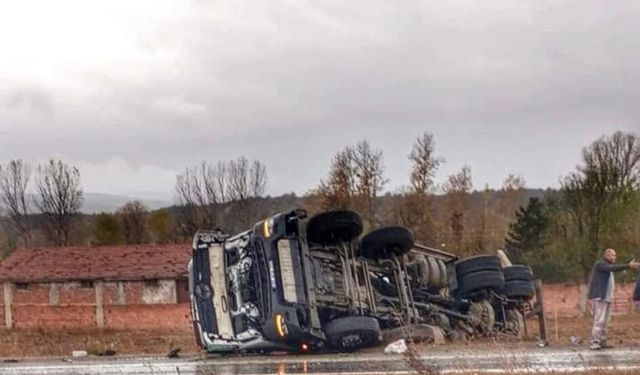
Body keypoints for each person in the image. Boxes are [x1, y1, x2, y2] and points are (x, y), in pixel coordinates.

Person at [587, 248, 640, 350]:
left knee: (606, 320)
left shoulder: (608, 267)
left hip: (607, 298)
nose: (615, 257)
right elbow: (613, 268)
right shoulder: (601, 264)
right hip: (600, 297)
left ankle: (602, 340)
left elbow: (613, 269)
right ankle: (595, 341)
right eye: (613, 255)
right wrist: (628, 266)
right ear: (607, 255)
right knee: (600, 319)